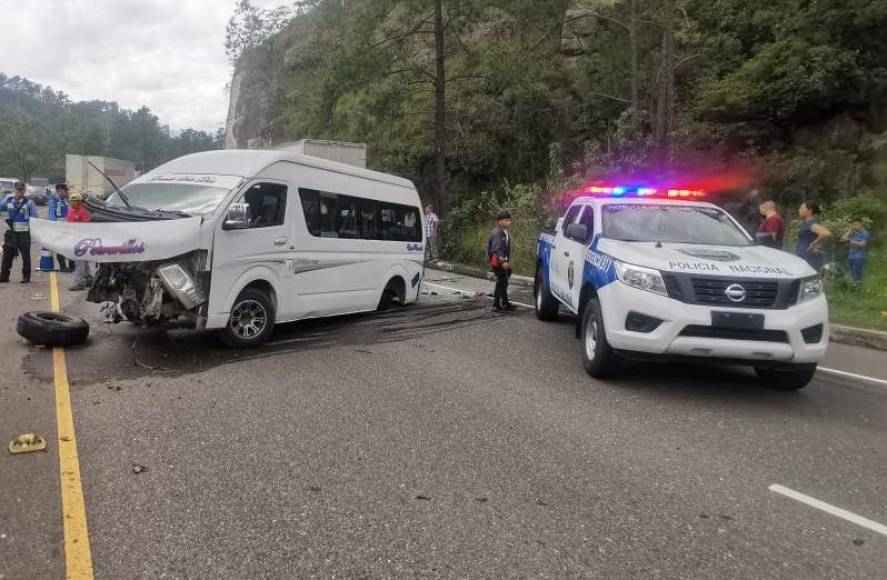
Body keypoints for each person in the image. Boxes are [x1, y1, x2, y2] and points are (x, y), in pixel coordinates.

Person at [0, 182, 38, 283]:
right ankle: (4, 276)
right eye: (17, 189)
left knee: (25, 256)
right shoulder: (8, 200)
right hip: (11, 233)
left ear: (24, 190)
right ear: (14, 190)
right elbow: (0, 207)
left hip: (24, 233)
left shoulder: (29, 203)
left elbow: (35, 218)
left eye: (21, 189)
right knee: (7, 255)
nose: (19, 191)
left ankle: (26, 276)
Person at [486, 210, 514, 312]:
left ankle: (505, 303)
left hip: (502, 259)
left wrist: (506, 260)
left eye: (509, 220)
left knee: (504, 281)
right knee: (501, 281)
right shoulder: (497, 232)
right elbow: (496, 249)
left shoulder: (504, 231)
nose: (509, 222)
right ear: (500, 221)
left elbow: (505, 248)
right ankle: (496, 305)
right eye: (506, 220)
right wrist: (503, 261)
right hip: (497, 261)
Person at [796, 202, 831, 273]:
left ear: (810, 211)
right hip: (804, 258)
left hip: (809, 259)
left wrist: (815, 243)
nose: (799, 210)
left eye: (802, 208)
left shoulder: (810, 223)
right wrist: (818, 243)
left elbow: (826, 233)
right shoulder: (807, 223)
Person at [67, 193, 92, 291]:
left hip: (82, 241)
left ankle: (79, 282)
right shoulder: (71, 211)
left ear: (79, 202)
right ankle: (89, 278)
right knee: (83, 260)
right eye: (71, 201)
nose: (72, 203)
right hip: (74, 239)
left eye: (74, 201)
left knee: (79, 261)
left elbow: (87, 227)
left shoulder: (83, 212)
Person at [48, 183, 73, 271]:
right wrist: (54, 226)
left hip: (68, 227)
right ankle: (63, 266)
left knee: (70, 246)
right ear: (60, 190)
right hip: (59, 228)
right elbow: (52, 214)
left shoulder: (67, 200)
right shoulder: (54, 201)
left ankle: (72, 265)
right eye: (65, 190)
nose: (66, 192)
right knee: (60, 247)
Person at [841, 220, 870, 285]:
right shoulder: (853, 232)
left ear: (860, 224)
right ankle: (855, 286)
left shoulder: (864, 233)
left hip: (859, 256)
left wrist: (850, 240)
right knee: (852, 272)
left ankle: (859, 287)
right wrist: (849, 231)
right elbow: (842, 238)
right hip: (851, 255)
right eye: (853, 225)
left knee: (857, 273)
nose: (853, 226)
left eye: (855, 224)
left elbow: (862, 244)